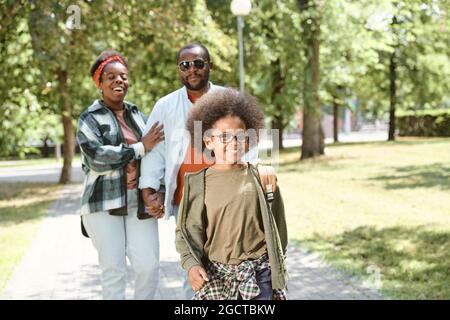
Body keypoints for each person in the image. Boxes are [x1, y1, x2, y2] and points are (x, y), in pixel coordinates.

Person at [175, 88, 288, 300]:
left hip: (258, 276)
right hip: (216, 277)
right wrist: (191, 266)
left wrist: (276, 269)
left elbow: (279, 230)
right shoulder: (197, 183)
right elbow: (185, 232)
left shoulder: (263, 177)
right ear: (208, 141)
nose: (233, 143)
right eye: (224, 136)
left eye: (240, 136)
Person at [76, 49, 164, 300]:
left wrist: (159, 191)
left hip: (138, 202)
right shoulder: (89, 118)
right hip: (102, 203)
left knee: (148, 265)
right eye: (111, 77)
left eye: (123, 76)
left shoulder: (138, 116)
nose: (118, 81)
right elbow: (97, 158)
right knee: (113, 271)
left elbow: (156, 156)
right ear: (100, 83)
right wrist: (139, 147)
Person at [139, 42, 223, 299]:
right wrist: (149, 190)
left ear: (209, 66)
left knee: (228, 266)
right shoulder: (165, 106)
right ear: (179, 70)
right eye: (185, 65)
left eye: (198, 63)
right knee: (195, 270)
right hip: (186, 201)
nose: (192, 70)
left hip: (224, 198)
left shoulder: (228, 100)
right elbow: (155, 153)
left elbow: (247, 145)